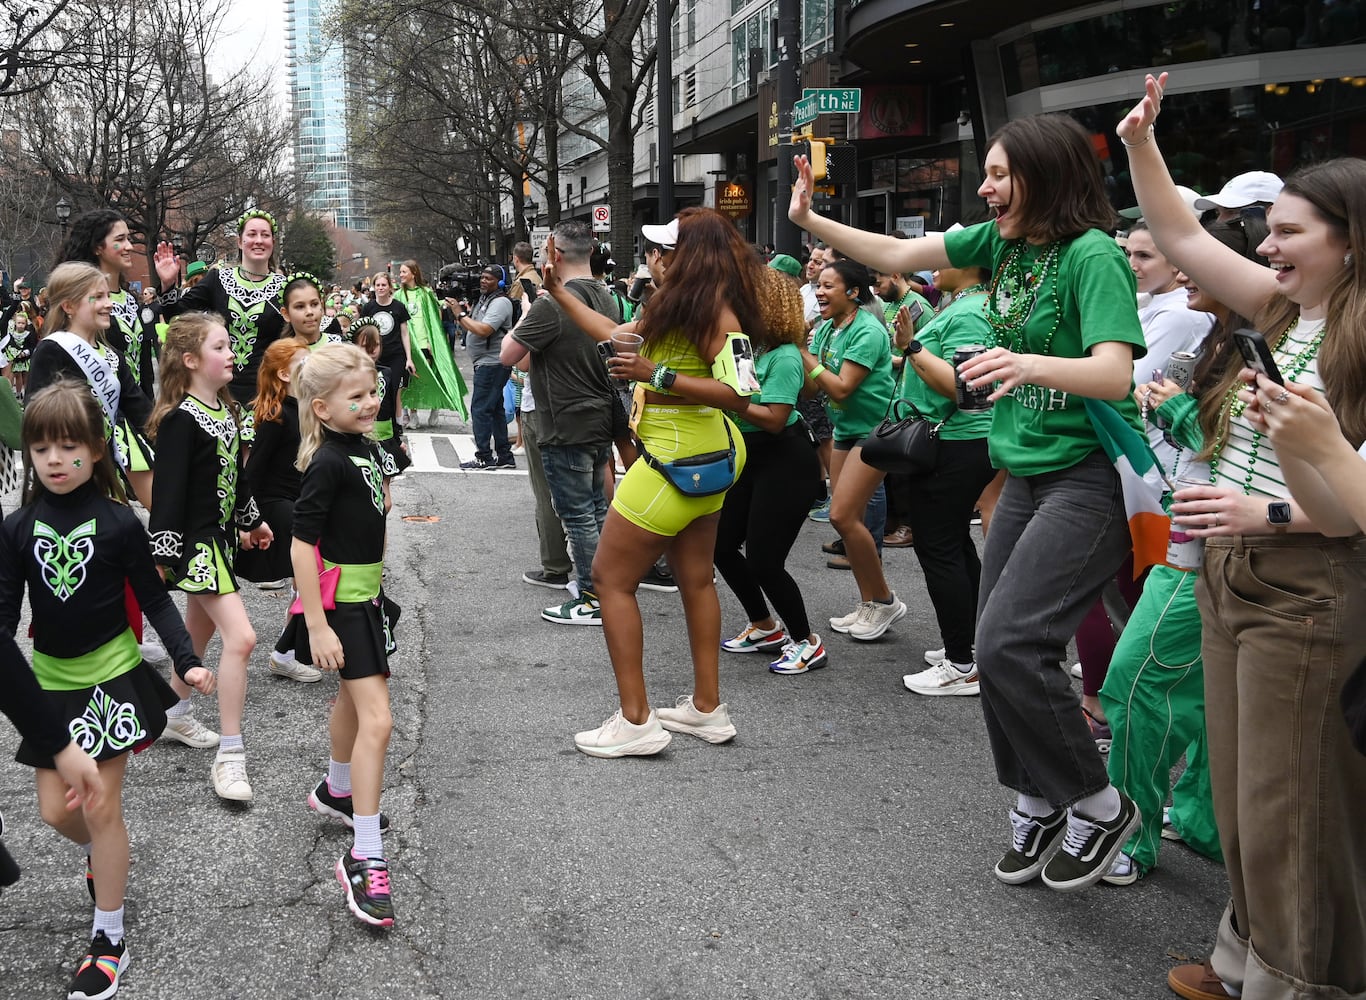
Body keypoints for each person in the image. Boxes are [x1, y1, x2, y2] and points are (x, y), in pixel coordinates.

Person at [790, 111, 1148, 892]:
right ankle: (1035, 798)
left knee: (1012, 643)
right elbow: (891, 252)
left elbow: (1116, 376)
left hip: (1085, 478)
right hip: (1021, 474)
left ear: (1044, 175)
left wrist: (1024, 363)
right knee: (991, 645)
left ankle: (1097, 802)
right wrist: (809, 216)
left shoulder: (1092, 255)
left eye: (998, 173)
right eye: (984, 172)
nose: (983, 187)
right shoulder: (1003, 247)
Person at [1121, 72, 1366, 1000]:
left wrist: (1263, 508)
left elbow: (1349, 508)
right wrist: (1143, 144)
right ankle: (1245, 961)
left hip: (1310, 588)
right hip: (1231, 575)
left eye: (1290, 232)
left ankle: (1295, 983)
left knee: (1288, 807)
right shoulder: (1281, 310)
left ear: (1353, 243)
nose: (1266, 246)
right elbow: (1182, 235)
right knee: (1238, 795)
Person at [0, 381, 214, 1000]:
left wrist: (186, 658)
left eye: (69, 447)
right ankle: (107, 858)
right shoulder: (17, 530)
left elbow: (153, 597)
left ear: (96, 450)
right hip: (49, 687)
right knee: (53, 811)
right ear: (28, 455)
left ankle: (108, 937)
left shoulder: (120, 522)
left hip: (113, 679)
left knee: (99, 807)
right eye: (42, 449)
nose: (55, 460)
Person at [545, 208, 758, 757]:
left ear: (689, 256)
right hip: (707, 461)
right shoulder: (681, 305)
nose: (653, 257)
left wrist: (653, 375)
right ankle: (707, 709)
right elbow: (618, 336)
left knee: (610, 580)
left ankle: (636, 720)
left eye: (663, 249)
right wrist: (561, 295)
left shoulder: (716, 315)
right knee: (696, 580)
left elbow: (742, 395)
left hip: (674, 462)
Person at [289, 343, 401, 928]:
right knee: (378, 720)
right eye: (354, 397)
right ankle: (364, 853)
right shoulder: (329, 461)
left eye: (371, 391)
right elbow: (302, 544)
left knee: (352, 706)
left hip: (369, 600)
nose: (369, 402)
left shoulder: (368, 449)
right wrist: (316, 623)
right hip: (342, 608)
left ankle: (337, 789)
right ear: (323, 409)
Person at [148, 313, 273, 802]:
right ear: (190, 360)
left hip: (218, 544)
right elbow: (168, 492)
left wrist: (252, 521)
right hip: (196, 549)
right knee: (241, 639)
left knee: (196, 636)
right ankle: (231, 755)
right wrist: (162, 555)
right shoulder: (180, 420)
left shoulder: (227, 411)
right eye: (220, 348)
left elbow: (238, 480)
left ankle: (174, 715)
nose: (231, 355)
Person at [501, 221, 620, 622]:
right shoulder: (608, 297)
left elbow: (509, 354)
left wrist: (529, 309)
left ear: (553, 250)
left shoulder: (552, 303)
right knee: (596, 509)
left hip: (564, 419)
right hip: (599, 415)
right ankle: (605, 587)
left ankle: (591, 596)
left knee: (577, 514)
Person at [891, 259, 997, 695]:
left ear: (971, 265)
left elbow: (965, 386)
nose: (934, 265)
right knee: (951, 543)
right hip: (954, 439)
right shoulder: (965, 304)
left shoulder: (972, 311)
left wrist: (913, 348)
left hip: (956, 439)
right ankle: (969, 645)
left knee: (939, 548)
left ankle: (961, 663)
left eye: (945, 258)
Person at [714, 267, 827, 674]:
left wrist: (728, 399)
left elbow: (776, 418)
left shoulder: (784, 355)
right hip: (751, 457)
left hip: (785, 458)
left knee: (765, 560)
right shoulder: (749, 350)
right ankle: (764, 625)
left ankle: (806, 641)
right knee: (722, 546)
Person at [802, 258, 901, 640]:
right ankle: (870, 602)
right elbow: (815, 388)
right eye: (819, 286)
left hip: (875, 430)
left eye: (828, 286)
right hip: (846, 427)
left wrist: (806, 356)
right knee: (845, 519)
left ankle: (885, 600)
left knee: (843, 516)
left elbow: (841, 387)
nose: (820, 292)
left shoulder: (868, 331)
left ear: (854, 293)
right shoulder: (828, 329)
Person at [26, 263, 155, 509]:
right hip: (68, 473)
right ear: (69, 306)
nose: (109, 304)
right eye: (97, 297)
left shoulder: (113, 356)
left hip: (105, 467)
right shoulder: (52, 350)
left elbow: (142, 413)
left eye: (108, 295)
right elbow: (36, 420)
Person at [239, 336, 322, 681]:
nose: (311, 368)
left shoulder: (305, 408)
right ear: (285, 375)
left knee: (311, 579)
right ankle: (286, 653)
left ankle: (290, 650)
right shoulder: (275, 418)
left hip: (299, 502)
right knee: (314, 574)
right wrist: (247, 521)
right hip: (278, 506)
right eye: (303, 364)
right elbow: (252, 473)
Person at [153, 209, 286, 414]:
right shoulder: (218, 280)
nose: (258, 240)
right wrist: (168, 284)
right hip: (222, 393)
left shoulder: (286, 288)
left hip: (270, 394)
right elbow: (177, 317)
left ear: (273, 242)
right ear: (240, 242)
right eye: (251, 234)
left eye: (265, 235)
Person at [455, 265, 517, 470]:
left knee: (480, 409)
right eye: (482, 277)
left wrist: (459, 315)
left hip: (492, 364)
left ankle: (484, 456)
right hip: (486, 363)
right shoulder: (485, 299)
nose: (483, 281)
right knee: (496, 409)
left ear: (499, 282)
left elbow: (484, 330)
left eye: (488, 278)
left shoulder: (500, 302)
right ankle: (504, 455)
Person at [395, 260, 467, 426]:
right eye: (400, 272)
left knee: (429, 378)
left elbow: (435, 316)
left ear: (413, 273)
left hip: (424, 344)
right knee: (411, 381)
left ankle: (435, 407)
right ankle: (413, 414)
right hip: (408, 346)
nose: (401, 275)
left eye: (404, 272)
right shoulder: (398, 295)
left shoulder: (425, 293)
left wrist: (431, 340)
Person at [352, 319, 412, 474]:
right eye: (366, 346)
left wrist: (397, 437)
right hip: (358, 437)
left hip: (385, 436)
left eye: (376, 345)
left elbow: (394, 405)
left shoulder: (387, 373)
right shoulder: (348, 375)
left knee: (385, 484)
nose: (372, 350)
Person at [360, 272, 416, 418]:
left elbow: (405, 333)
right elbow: (362, 334)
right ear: (373, 287)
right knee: (374, 389)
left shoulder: (399, 307)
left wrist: (409, 358)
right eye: (377, 285)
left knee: (393, 389)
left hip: (396, 355)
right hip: (374, 356)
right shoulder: (368, 308)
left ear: (390, 287)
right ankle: (375, 420)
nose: (380, 288)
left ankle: (395, 424)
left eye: (384, 285)